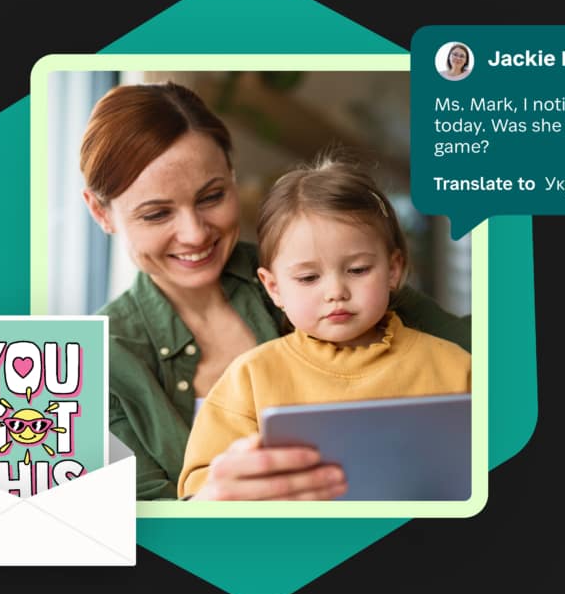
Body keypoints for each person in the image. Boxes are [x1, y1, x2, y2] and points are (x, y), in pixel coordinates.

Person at [79, 81, 470, 500]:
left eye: (212, 196)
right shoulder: (84, 367)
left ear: (232, 174)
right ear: (101, 212)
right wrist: (208, 505)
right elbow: (108, 531)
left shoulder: (325, 271)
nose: (194, 234)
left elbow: (490, 363)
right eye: (156, 214)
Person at [177, 157, 472, 498]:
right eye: (308, 277)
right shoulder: (249, 380)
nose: (336, 292)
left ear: (393, 270)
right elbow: (200, 492)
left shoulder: (457, 369)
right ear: (273, 288)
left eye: (358, 269)